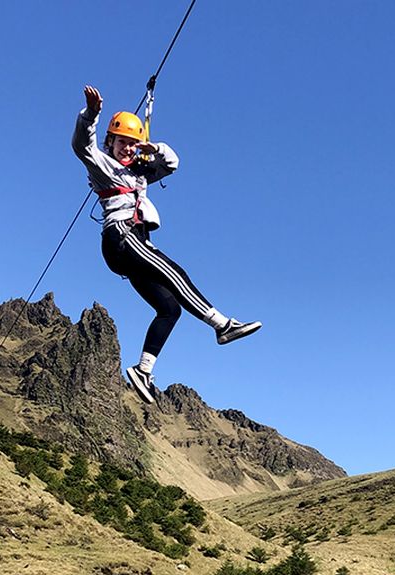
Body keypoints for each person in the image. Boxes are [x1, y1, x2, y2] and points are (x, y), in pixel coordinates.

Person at [72, 85, 261, 404]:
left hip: (133, 244)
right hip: (122, 236)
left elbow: (172, 162)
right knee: (176, 272)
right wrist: (90, 114)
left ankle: (143, 371)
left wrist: (151, 148)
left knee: (169, 308)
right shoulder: (104, 166)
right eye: (122, 142)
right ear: (111, 142)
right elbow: (81, 145)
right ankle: (221, 325)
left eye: (132, 144)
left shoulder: (140, 173)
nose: (127, 149)